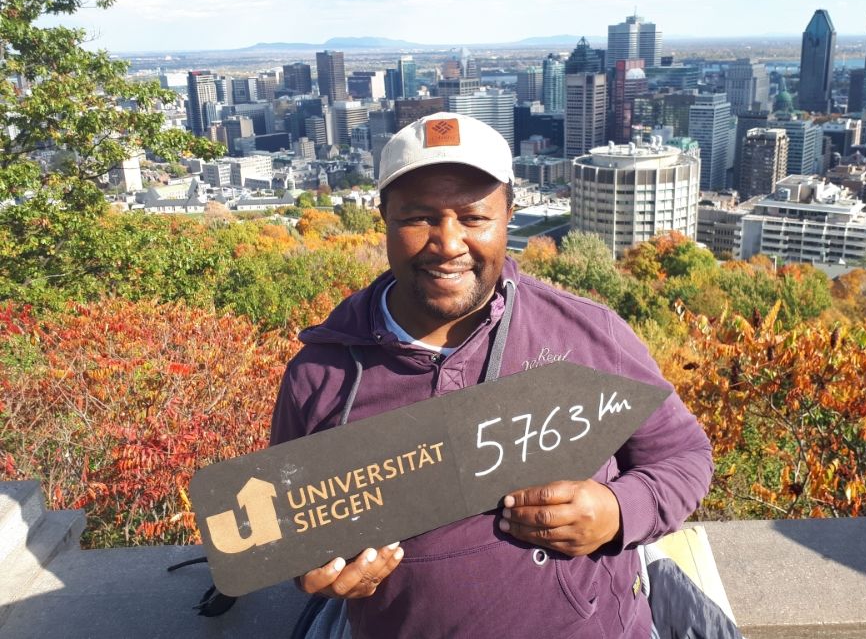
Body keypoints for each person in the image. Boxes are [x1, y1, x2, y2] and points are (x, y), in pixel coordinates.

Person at [271, 112, 734, 638]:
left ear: (509, 216)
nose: (448, 243)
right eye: (418, 217)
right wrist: (317, 569)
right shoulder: (321, 374)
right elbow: (285, 529)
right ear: (384, 218)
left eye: (473, 217)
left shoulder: (587, 334)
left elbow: (684, 455)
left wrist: (617, 510)